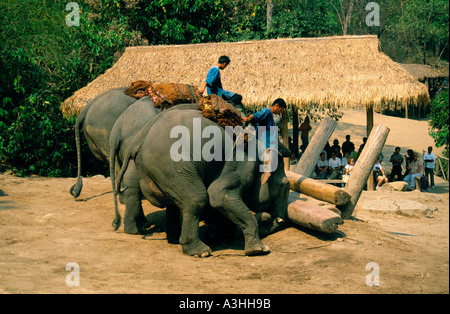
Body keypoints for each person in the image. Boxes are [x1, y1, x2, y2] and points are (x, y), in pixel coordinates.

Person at [242, 98, 287, 183]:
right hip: (265, 141)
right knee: (283, 152)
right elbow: (256, 115)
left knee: (282, 152)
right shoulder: (267, 111)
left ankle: (268, 168)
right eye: (280, 109)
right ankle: (267, 170)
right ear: (277, 105)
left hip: (269, 140)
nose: (279, 112)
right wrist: (248, 118)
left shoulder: (270, 115)